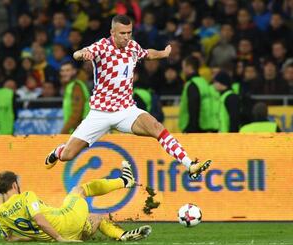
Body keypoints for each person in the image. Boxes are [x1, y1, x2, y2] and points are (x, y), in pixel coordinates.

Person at [45, 15, 211, 179]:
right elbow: (78, 53)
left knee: (156, 127)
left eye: (129, 32)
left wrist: (163, 53)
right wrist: (83, 54)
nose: (126, 37)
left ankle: (190, 165)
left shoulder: (133, 47)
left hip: (126, 110)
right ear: (112, 32)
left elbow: (147, 54)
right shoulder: (102, 46)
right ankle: (57, 151)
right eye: (122, 33)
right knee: (68, 155)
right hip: (100, 113)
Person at [0, 161, 152, 242]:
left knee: (97, 219)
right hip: (65, 223)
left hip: (67, 235)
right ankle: (124, 180)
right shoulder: (26, 196)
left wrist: (35, 237)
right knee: (79, 190)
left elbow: (9, 238)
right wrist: (59, 238)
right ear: (15, 184)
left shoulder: (0, 214)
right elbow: (40, 220)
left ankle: (122, 235)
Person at [179, 55, 216, 133]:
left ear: (189, 67)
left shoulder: (192, 84)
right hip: (207, 126)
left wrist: (191, 129)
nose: (183, 70)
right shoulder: (204, 82)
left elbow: (193, 108)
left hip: (195, 128)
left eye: (184, 67)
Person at [59, 61, 90, 134]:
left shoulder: (76, 86)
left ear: (74, 71)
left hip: (79, 131)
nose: (64, 73)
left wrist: (64, 132)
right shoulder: (70, 86)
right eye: (62, 71)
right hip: (78, 130)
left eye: (67, 70)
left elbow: (77, 113)